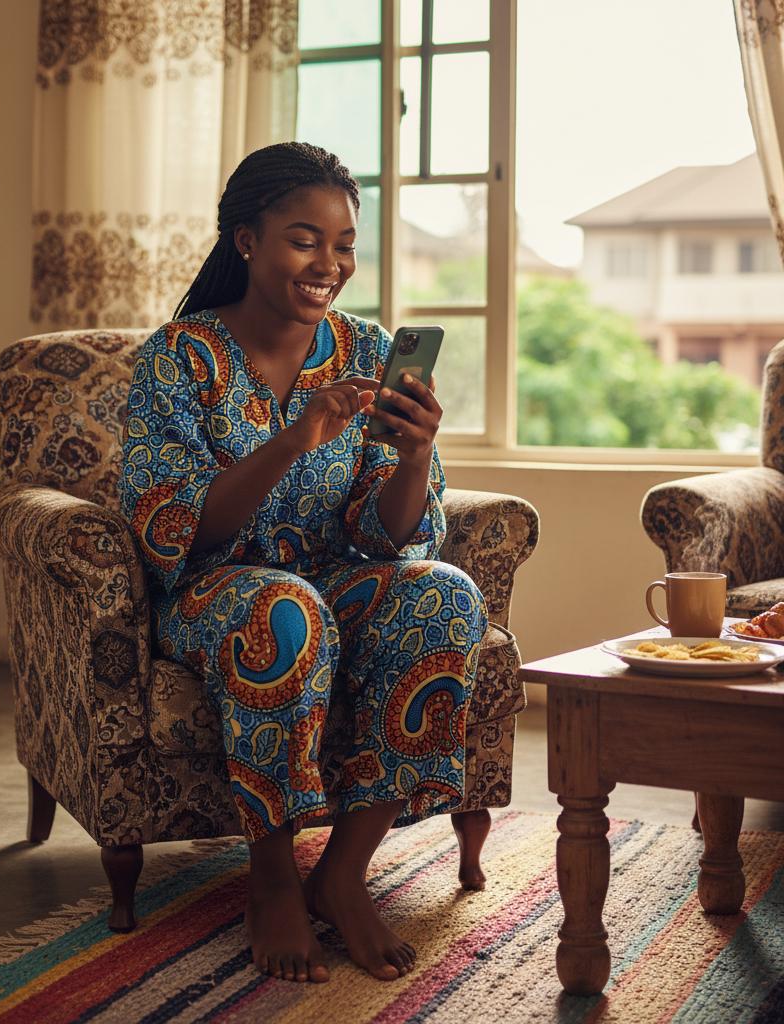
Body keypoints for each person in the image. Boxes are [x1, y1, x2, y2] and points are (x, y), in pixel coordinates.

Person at [120, 142, 489, 985]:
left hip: (333, 581)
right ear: (246, 240)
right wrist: (296, 438)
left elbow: (392, 539)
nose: (330, 264)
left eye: (345, 244)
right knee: (283, 611)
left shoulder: (368, 349)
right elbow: (182, 529)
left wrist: (412, 456)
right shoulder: (177, 359)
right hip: (218, 595)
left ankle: (343, 876)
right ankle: (274, 875)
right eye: (303, 239)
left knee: (444, 598)